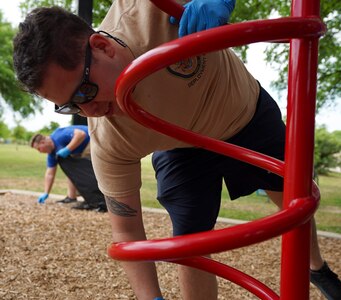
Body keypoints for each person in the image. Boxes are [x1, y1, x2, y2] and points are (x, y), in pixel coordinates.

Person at [13, 1, 340, 299]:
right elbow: (127, 229)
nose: (89, 111)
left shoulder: (150, 9)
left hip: (243, 112)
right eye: (71, 106)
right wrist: (151, 298)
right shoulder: (108, 136)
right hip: (180, 144)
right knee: (189, 243)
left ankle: (316, 269)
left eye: (85, 91)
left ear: (102, 46)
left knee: (291, 200)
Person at [30, 126, 107, 212]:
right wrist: (46, 193)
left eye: (39, 149)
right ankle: (71, 197)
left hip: (92, 139)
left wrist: (67, 149)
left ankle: (96, 199)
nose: (40, 152)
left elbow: (81, 134)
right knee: (71, 170)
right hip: (78, 149)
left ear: (43, 142)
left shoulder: (59, 135)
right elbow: (50, 174)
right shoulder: (51, 154)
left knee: (84, 171)